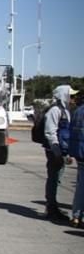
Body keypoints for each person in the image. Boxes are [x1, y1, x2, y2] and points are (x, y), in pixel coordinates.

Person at [42, 84, 76, 221]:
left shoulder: (65, 110)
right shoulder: (55, 111)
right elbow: (50, 132)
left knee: (58, 178)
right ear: (63, 95)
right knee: (53, 178)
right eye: (71, 95)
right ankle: (51, 207)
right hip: (54, 150)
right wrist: (56, 151)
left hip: (62, 150)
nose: (73, 98)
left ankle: (53, 205)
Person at [68, 90, 84, 227]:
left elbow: (71, 130)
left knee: (80, 185)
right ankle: (79, 216)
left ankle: (76, 216)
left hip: (79, 152)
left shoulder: (78, 111)